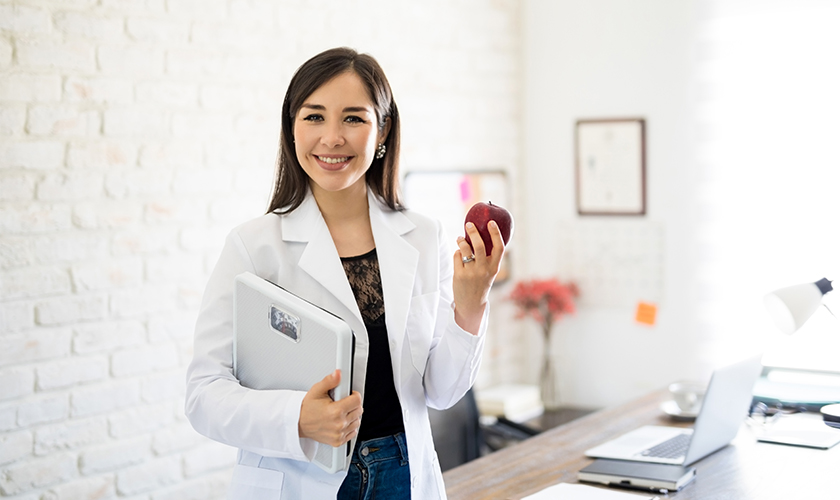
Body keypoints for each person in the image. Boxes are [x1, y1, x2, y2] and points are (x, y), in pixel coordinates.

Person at [185, 47, 506, 500]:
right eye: (314, 117)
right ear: (291, 128)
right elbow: (203, 395)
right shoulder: (253, 246)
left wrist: (471, 305)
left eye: (353, 119)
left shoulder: (423, 236)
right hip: (300, 478)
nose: (332, 137)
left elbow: (440, 391)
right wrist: (296, 415)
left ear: (382, 131)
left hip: (403, 474)